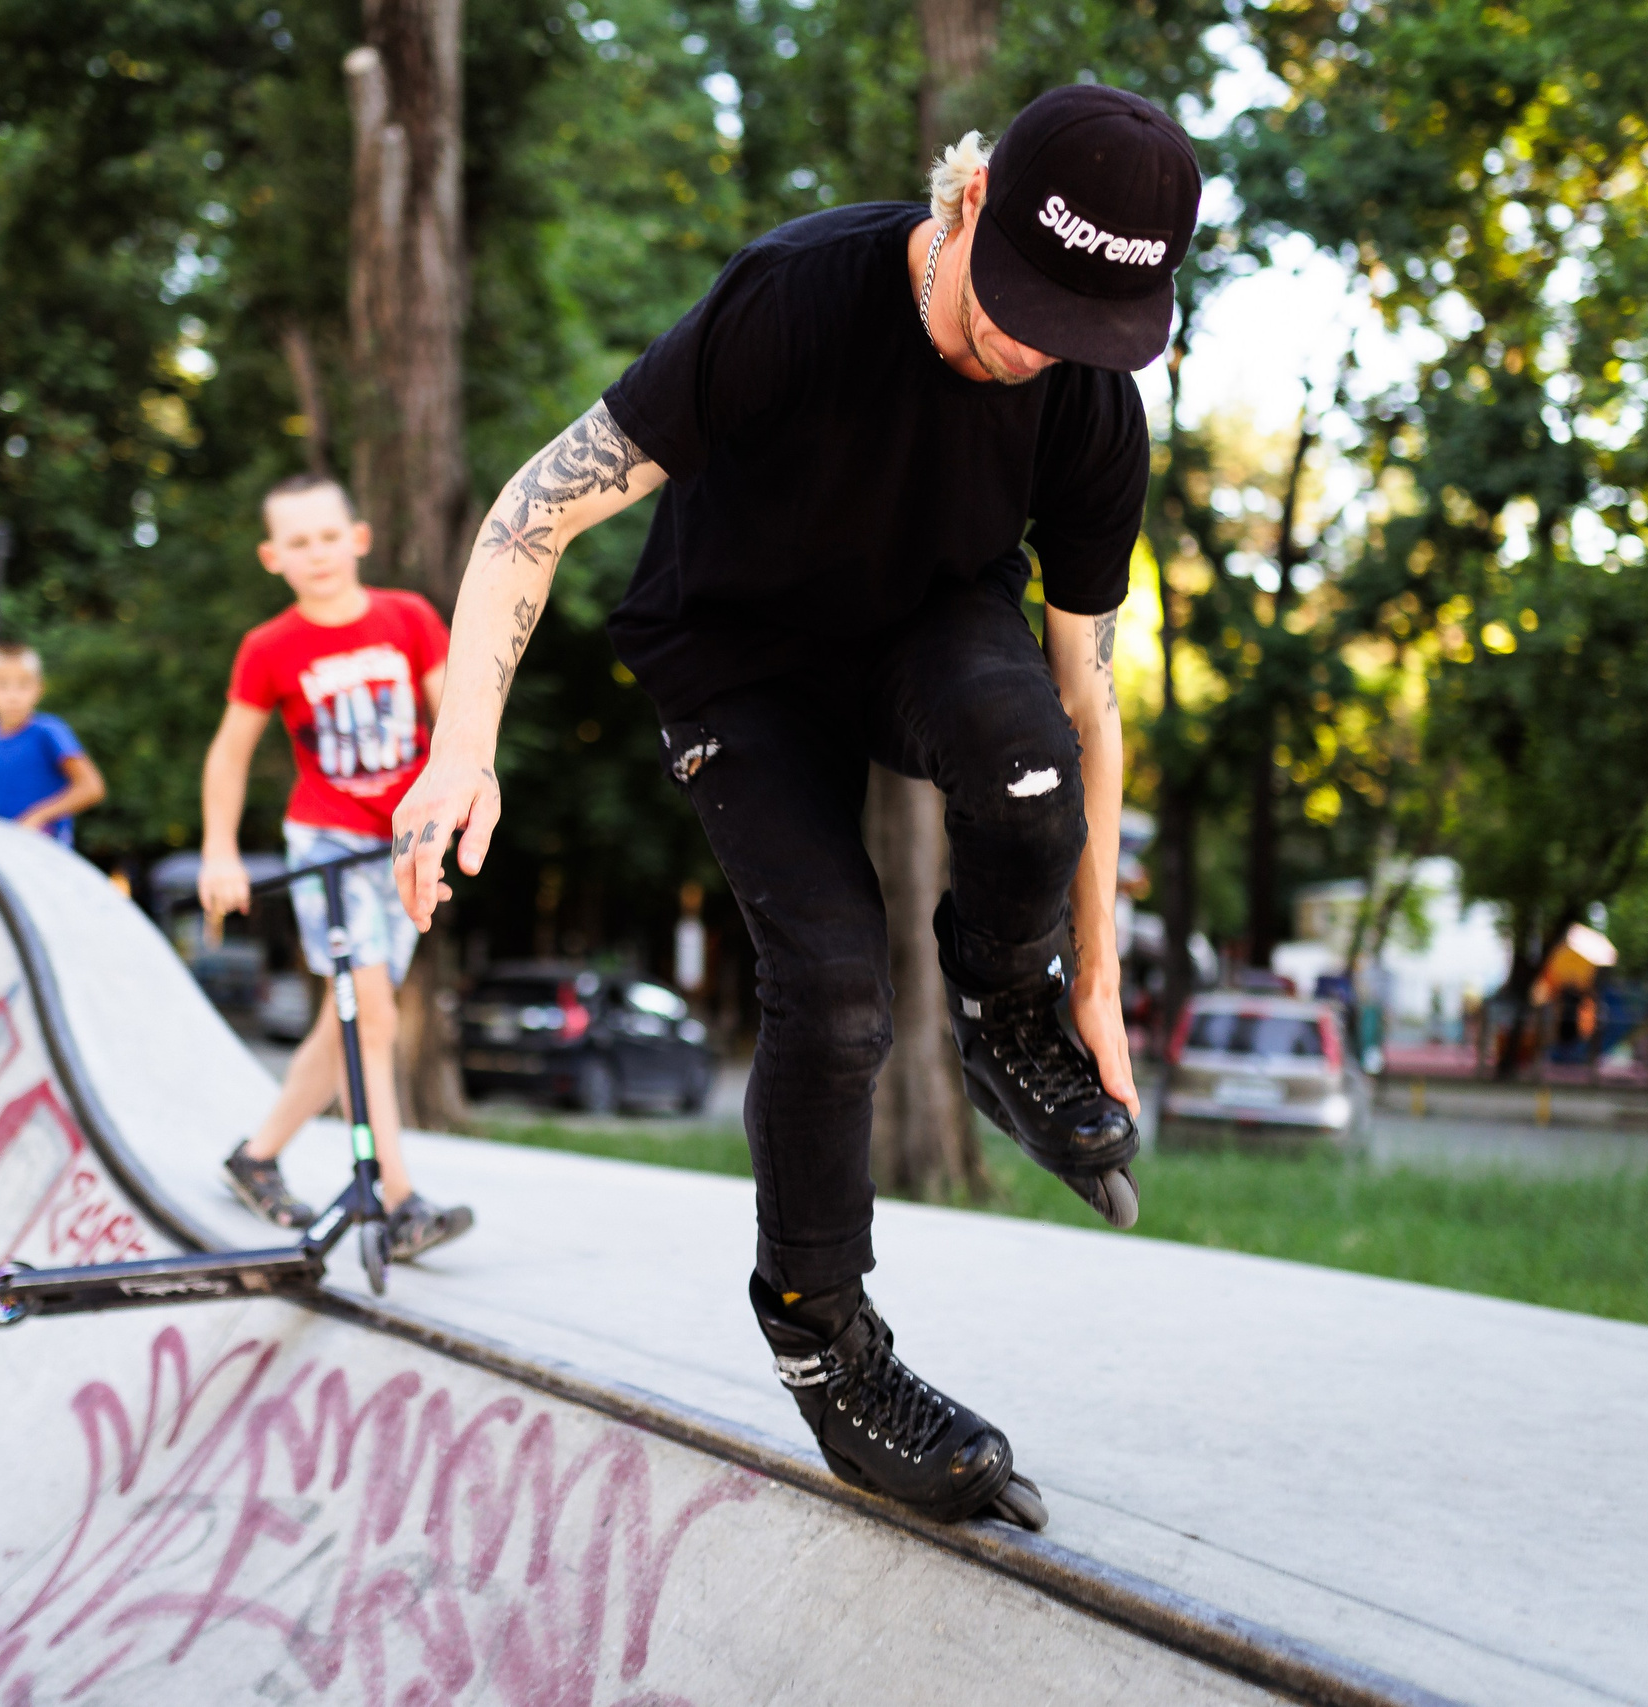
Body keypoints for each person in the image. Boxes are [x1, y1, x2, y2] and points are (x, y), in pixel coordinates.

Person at [388, 86, 1198, 1524]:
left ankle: (998, 1009)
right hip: (737, 662)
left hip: (923, 633)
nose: (1029, 349)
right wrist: (464, 746)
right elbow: (535, 507)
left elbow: (1091, 701)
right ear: (965, 204)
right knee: (830, 989)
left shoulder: (1084, 401)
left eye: (1074, 329)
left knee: (1025, 758)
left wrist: (1095, 980)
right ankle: (827, 1339)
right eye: (1015, 303)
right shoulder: (795, 297)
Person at [197, 472, 475, 1262]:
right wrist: (220, 848)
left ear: (357, 538)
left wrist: (457, 797)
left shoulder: (408, 617)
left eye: (328, 536)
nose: (316, 553)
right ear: (271, 556)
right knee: (374, 1015)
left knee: (345, 1020)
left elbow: (456, 715)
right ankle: (399, 1201)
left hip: (403, 845)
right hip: (325, 845)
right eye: (297, 542)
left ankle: (255, 1156)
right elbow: (229, 754)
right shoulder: (270, 647)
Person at [0, 643, 106, 844]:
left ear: (39, 688)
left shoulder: (49, 731)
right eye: (2, 685)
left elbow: (92, 787)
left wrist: (38, 816)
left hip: (47, 850)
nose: (13, 696)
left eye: (23, 685)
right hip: (3, 847)